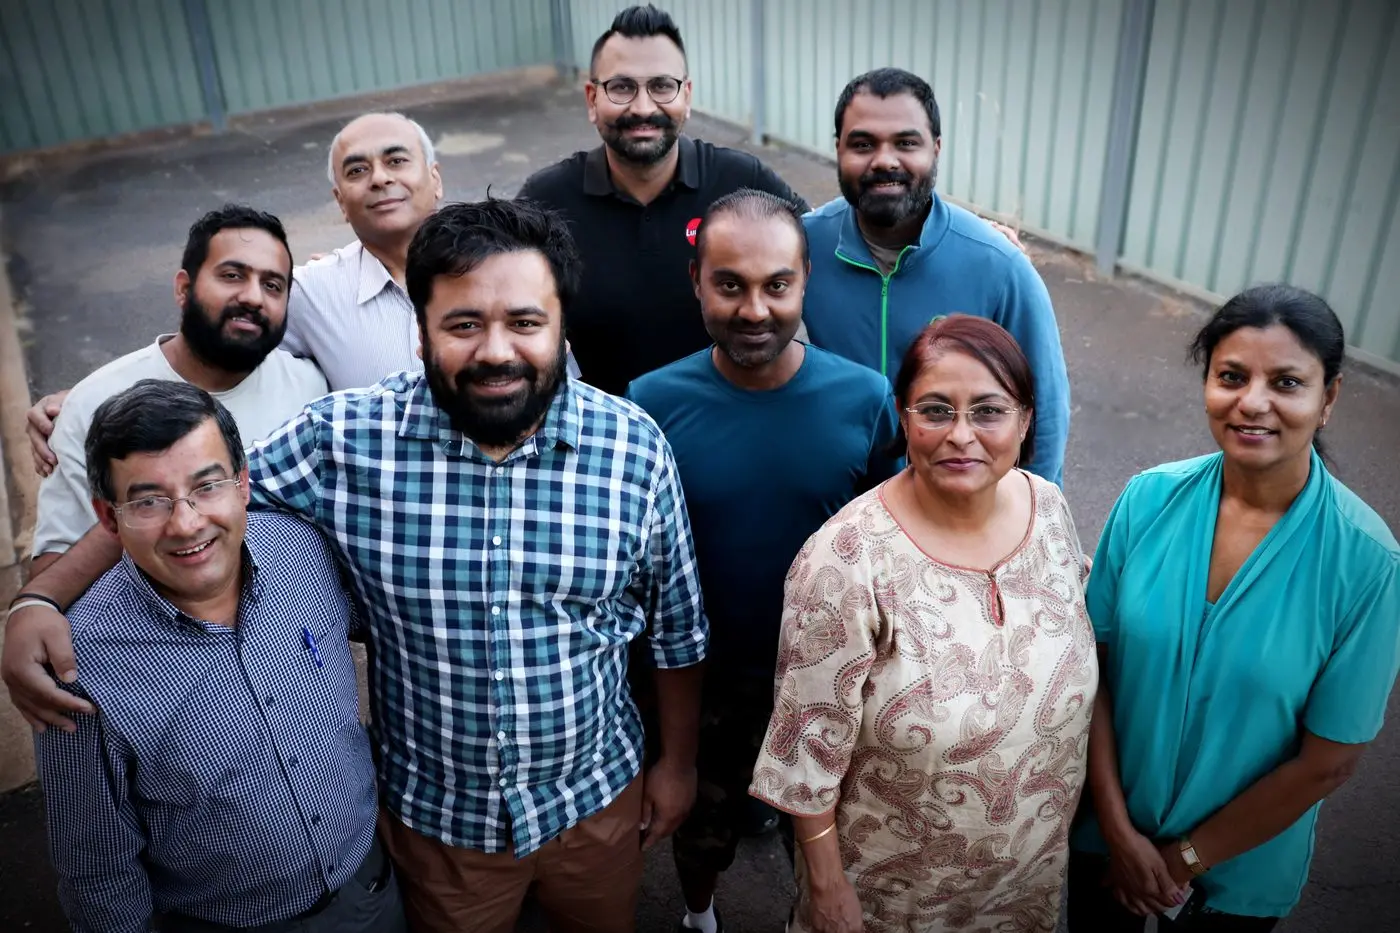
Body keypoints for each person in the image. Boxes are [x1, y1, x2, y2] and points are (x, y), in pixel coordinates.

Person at [4, 198, 709, 933]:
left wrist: (678, 764)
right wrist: (40, 600)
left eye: (526, 323)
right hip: (439, 827)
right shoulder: (340, 442)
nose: (496, 350)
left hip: (595, 803)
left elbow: (676, 630)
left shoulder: (634, 448)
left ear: (561, 326)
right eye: (464, 324)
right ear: (420, 331)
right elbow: (186, 496)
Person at [749, 315, 1098, 933]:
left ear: (1024, 421)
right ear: (905, 419)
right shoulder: (845, 561)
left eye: (988, 411)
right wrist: (827, 892)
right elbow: (807, 756)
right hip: (892, 897)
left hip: (1028, 883)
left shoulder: (1048, 510)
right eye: (936, 410)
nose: (961, 435)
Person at [1067, 285, 1400, 931]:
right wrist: (1114, 825)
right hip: (1108, 842)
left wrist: (1181, 859)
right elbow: (1095, 668)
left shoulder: (1368, 563)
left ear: (1327, 399)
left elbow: (1328, 760)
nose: (1252, 402)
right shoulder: (1145, 501)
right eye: (1231, 376)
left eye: (1286, 382)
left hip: (1239, 874)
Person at [29, 379, 404, 933]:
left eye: (207, 487)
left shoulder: (303, 552)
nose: (187, 523)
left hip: (369, 891)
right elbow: (97, 870)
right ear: (109, 519)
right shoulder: (79, 666)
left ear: (243, 485)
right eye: (149, 500)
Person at [625, 189, 898, 933]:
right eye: (730, 284)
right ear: (696, 282)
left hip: (830, 674)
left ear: (805, 280)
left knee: (824, 828)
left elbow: (889, 536)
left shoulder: (866, 398)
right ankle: (699, 913)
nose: (754, 309)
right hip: (705, 679)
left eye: (777, 284)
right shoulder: (650, 403)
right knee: (702, 827)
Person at [516, 4, 810, 396]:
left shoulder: (743, 180)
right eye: (621, 87)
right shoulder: (546, 201)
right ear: (591, 99)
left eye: (661, 86)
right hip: (603, 441)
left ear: (686, 95)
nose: (642, 107)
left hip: (723, 429)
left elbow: (821, 254)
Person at [801, 68, 1071, 484]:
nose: (885, 160)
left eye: (906, 143)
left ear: (936, 149)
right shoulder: (802, 248)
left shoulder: (1000, 267)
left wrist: (1031, 517)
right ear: (838, 149)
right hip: (839, 507)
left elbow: (1046, 414)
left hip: (958, 510)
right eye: (862, 144)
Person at [29, 204, 328, 576]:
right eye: (233, 275)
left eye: (272, 285)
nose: (253, 297)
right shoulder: (92, 405)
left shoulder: (313, 388)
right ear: (184, 289)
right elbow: (50, 577)